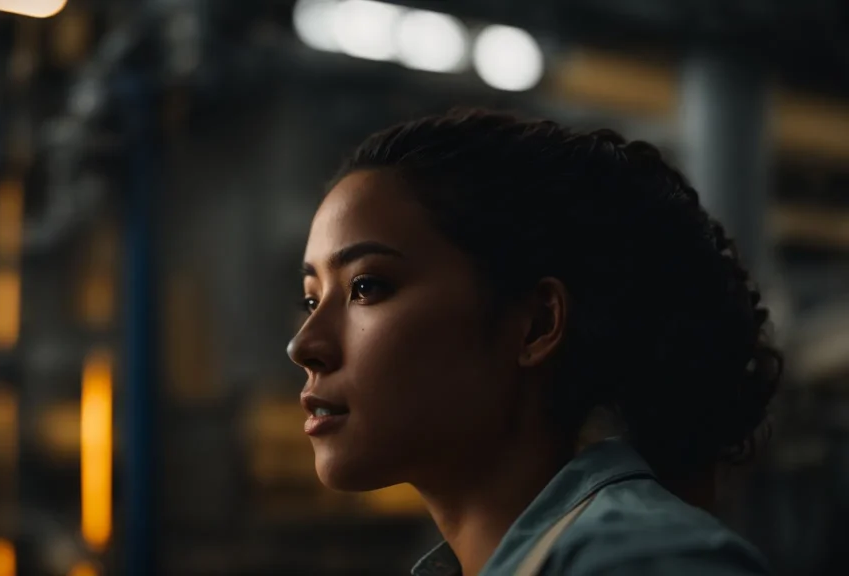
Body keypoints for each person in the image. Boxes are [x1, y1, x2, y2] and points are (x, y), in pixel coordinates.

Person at [286, 109, 782, 576]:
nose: (304, 344)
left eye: (367, 286)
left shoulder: (637, 560)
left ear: (537, 323)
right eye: (312, 300)